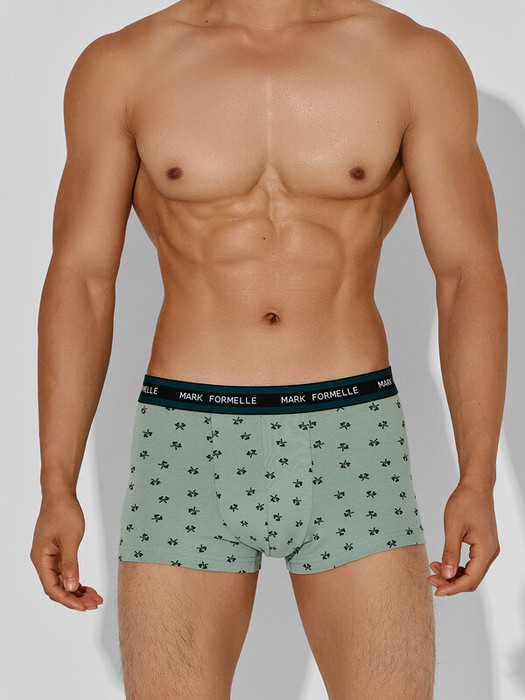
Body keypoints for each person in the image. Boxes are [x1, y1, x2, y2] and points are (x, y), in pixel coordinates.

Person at [30, 0, 507, 697]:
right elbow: (82, 281)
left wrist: (478, 476)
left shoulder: (410, 60)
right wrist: (56, 481)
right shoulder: (124, 66)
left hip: (351, 434)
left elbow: (467, 274)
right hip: (188, 441)